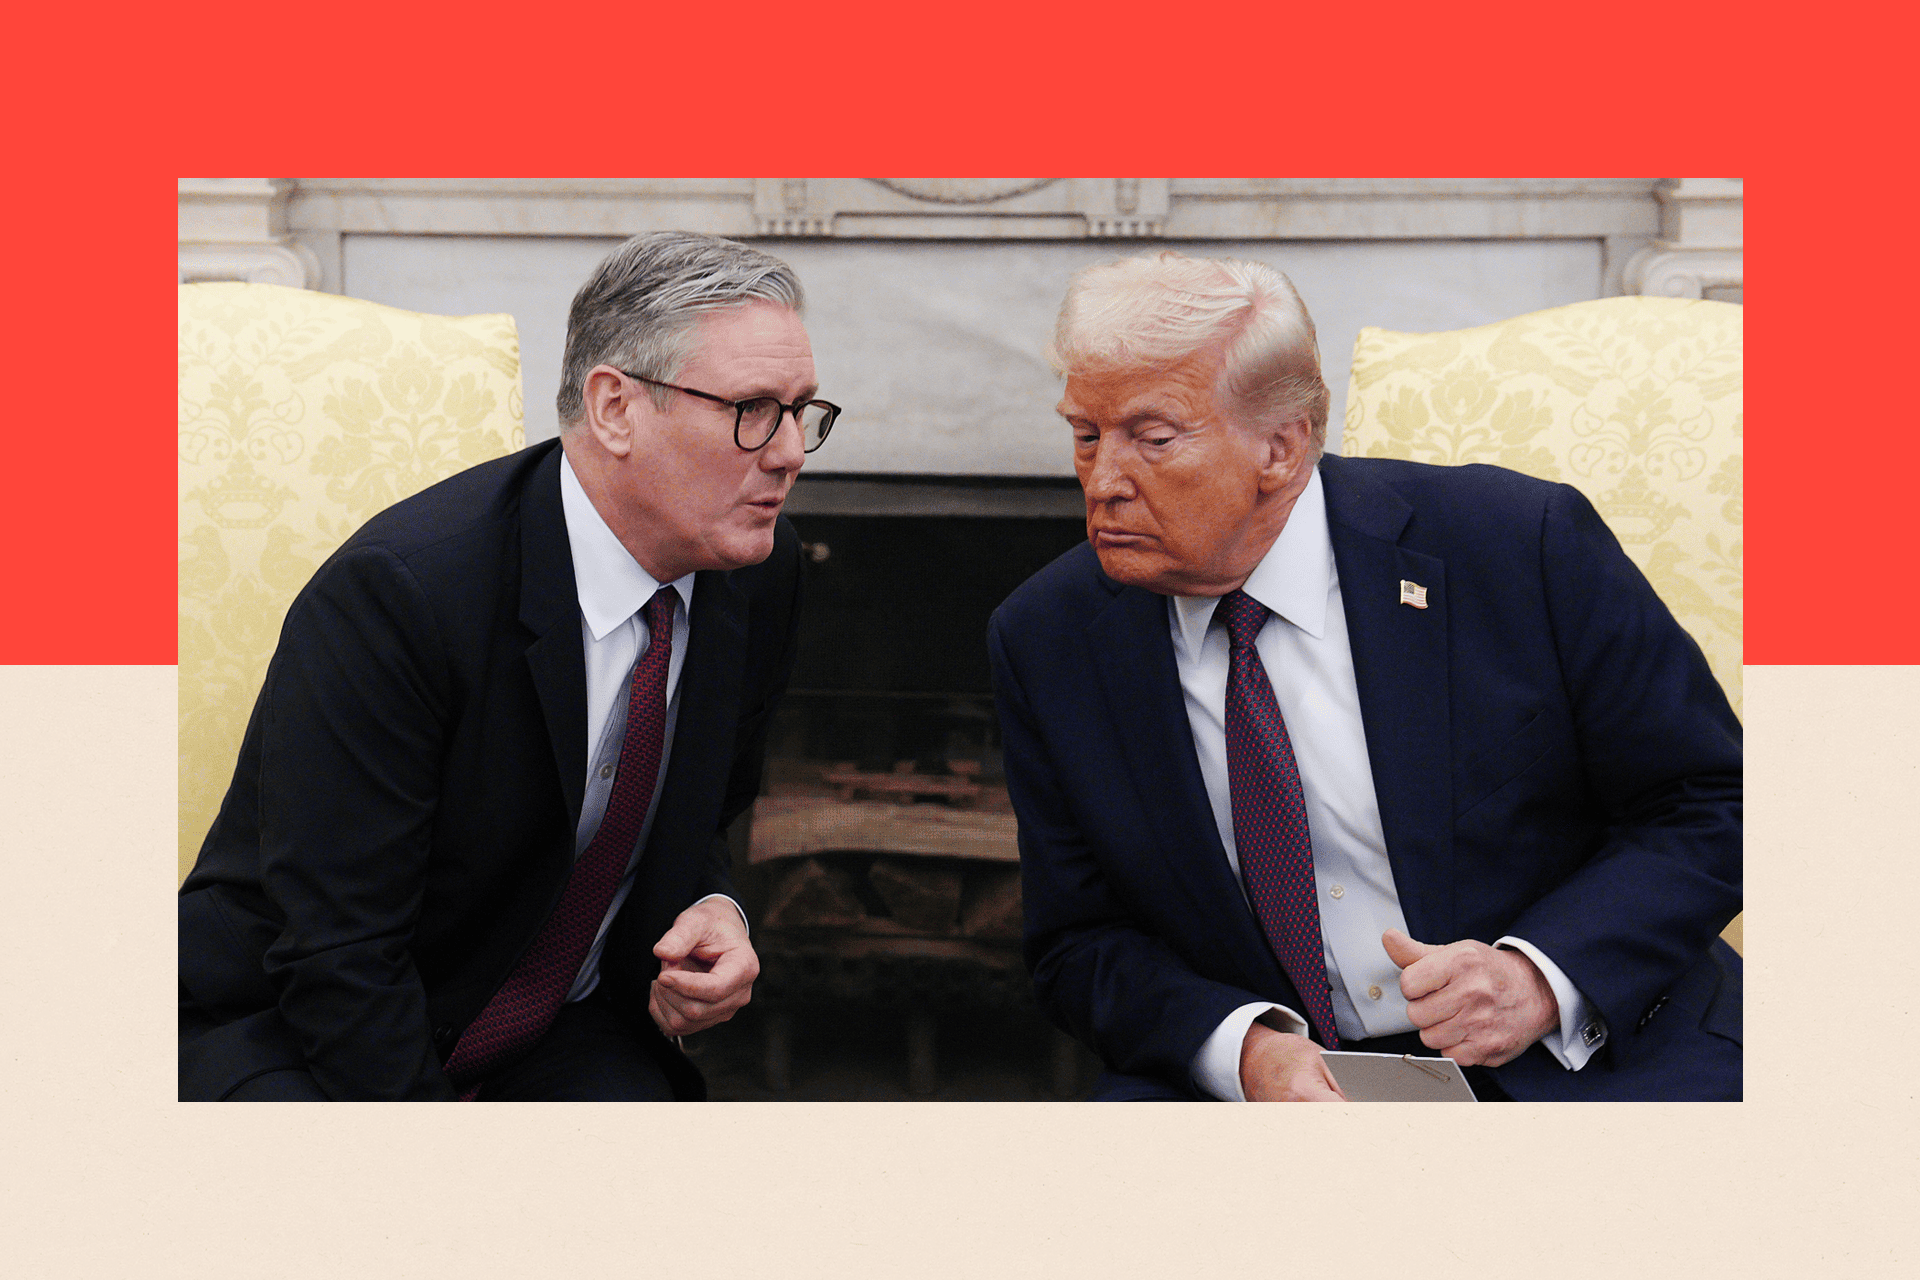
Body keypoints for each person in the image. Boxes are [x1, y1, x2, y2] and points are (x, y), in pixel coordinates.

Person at [987, 252, 1741, 1101]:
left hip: (1586, 1051)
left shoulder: (1515, 545)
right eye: (1086, 435)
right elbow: (1078, 943)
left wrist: (1541, 978)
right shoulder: (1048, 636)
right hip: (1274, 1084)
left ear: (1281, 445)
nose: (1103, 481)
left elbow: (1713, 800)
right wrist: (1243, 1051)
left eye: (1152, 439)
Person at [179, 231, 841, 1100]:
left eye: (803, 410)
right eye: (752, 410)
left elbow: (699, 813)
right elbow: (337, 952)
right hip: (303, 1027)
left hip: (554, 1028)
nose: (790, 451)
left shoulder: (759, 571)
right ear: (615, 409)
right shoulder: (401, 597)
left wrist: (720, 908)